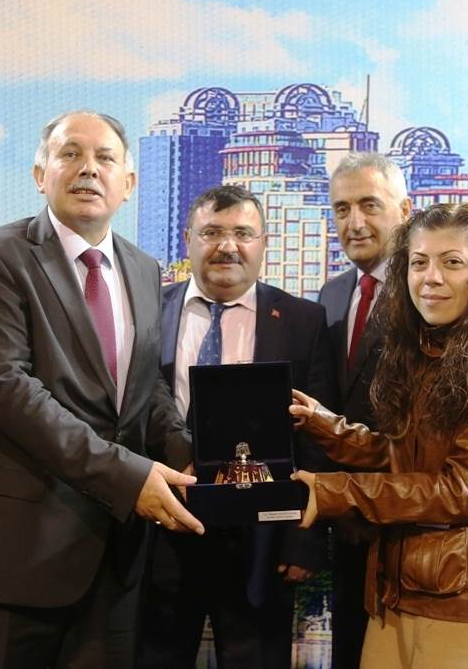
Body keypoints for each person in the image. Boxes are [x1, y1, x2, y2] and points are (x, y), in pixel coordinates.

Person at [0, 110, 199, 668]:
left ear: (128, 184)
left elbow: (145, 386)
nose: (89, 169)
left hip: (117, 561)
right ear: (41, 175)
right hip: (15, 557)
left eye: (105, 158)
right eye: (70, 154)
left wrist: (191, 457)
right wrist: (127, 477)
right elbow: (4, 387)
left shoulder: (143, 268)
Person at [290, 202, 468, 668]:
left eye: (452, 262)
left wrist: (334, 492)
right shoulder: (422, 347)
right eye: (419, 262)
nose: (430, 278)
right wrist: (326, 426)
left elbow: (461, 491)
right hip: (395, 588)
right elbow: (405, 457)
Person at [138, 185, 336, 669]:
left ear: (263, 243)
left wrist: (304, 538)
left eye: (243, 233)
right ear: (187, 240)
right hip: (163, 532)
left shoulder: (303, 320)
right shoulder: (146, 311)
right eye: (211, 232)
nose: (227, 246)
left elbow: (318, 438)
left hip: (263, 543)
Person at [318, 152, 411, 668]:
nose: (354, 222)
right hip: (346, 524)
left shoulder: (433, 290)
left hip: (413, 524)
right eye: (341, 209)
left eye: (369, 205)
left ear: (405, 210)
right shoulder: (332, 294)